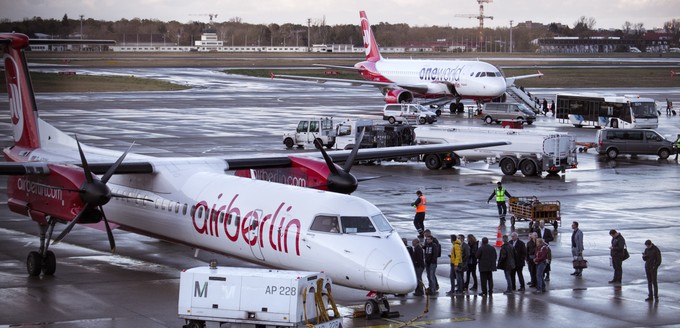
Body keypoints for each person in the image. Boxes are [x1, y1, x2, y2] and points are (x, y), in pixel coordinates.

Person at [423, 230, 441, 294]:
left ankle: (433, 288)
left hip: (432, 262)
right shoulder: (427, 243)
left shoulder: (434, 244)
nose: (426, 240)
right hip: (428, 262)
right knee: (430, 275)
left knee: (431, 276)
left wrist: (432, 261)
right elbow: (425, 249)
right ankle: (432, 287)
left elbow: (435, 253)